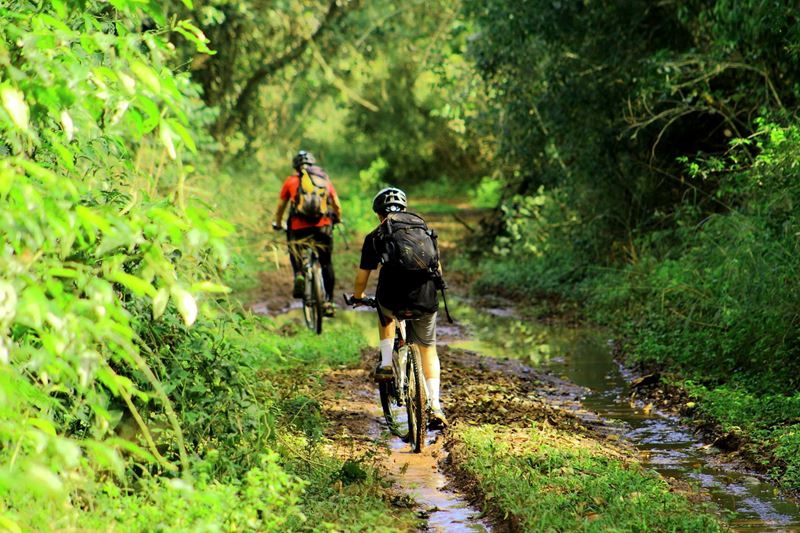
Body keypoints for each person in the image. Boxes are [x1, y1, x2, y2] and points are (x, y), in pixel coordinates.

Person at [352, 187, 447, 428]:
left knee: (384, 312)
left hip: (392, 298)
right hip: (425, 298)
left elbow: (362, 278)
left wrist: (358, 297)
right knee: (428, 349)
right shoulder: (424, 230)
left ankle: (386, 363)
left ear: (378, 214)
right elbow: (437, 269)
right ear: (404, 209)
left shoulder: (375, 236)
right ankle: (435, 405)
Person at [273, 150, 342, 316]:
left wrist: (278, 223)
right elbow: (336, 204)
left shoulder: (291, 181)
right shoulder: (323, 179)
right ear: (313, 164)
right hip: (323, 227)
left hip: (298, 229)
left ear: (295, 166)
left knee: (294, 250)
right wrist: (337, 219)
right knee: (326, 263)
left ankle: (299, 274)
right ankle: (329, 302)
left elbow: (281, 207)